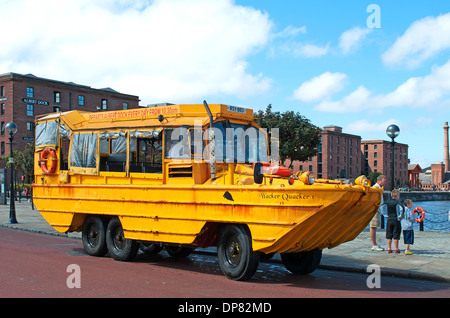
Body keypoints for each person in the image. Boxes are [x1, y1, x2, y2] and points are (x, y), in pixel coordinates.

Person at [380, 189, 403, 253]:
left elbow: (382, 207)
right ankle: (396, 248)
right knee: (396, 235)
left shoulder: (388, 201)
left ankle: (389, 248)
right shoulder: (398, 202)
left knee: (389, 235)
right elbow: (401, 209)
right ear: (397, 195)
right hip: (396, 219)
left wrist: (385, 215)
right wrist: (400, 216)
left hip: (389, 219)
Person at [370, 175, 386, 251]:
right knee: (373, 227)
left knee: (374, 227)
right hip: (375, 210)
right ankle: (373, 245)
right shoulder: (375, 188)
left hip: (377, 210)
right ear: (379, 181)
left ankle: (374, 244)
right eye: (384, 181)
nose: (384, 183)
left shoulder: (379, 188)